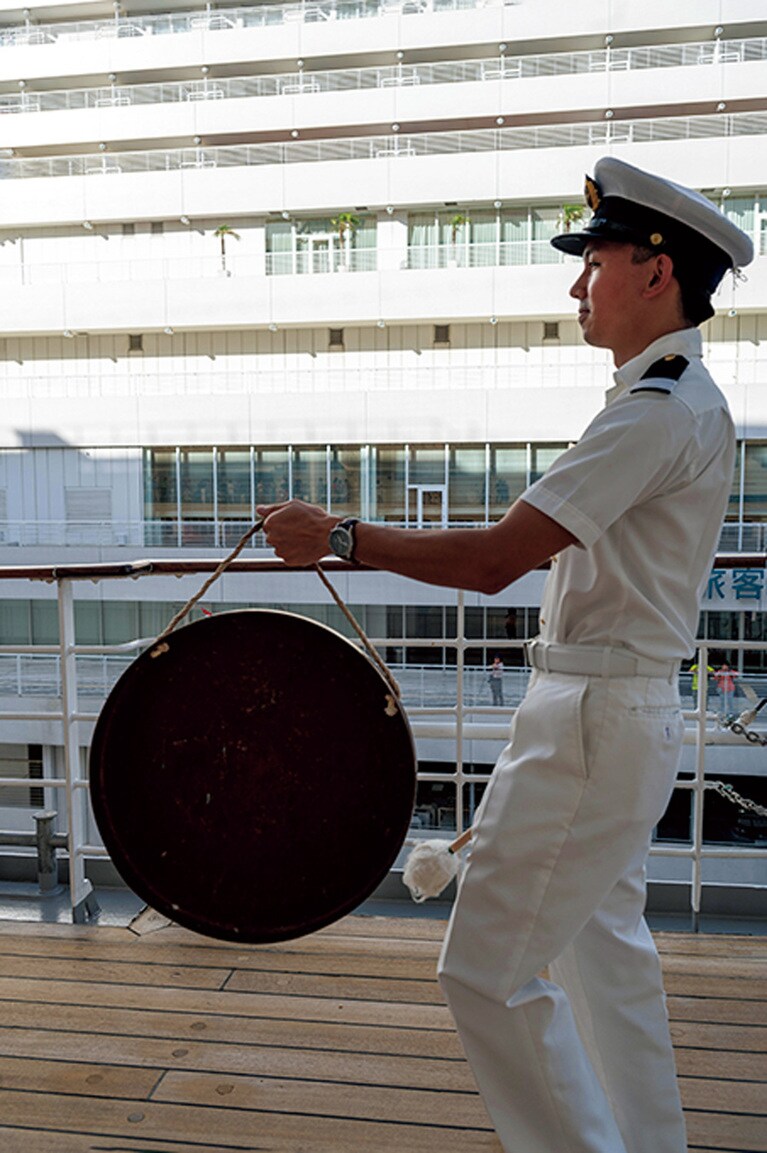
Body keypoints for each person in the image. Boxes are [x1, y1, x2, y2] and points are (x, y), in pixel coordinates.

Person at [257, 156, 753, 1153]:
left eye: (592, 263)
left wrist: (340, 537)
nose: (576, 286)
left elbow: (493, 560)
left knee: (482, 969)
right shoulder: (674, 399)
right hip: (609, 712)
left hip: (591, 722)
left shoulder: (651, 414)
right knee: (597, 954)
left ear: (654, 273)